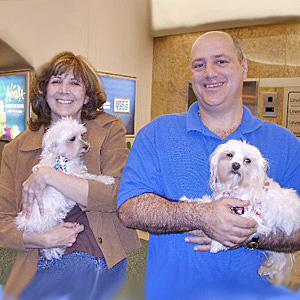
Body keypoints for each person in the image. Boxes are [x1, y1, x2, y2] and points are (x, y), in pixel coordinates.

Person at [117, 31, 300, 300]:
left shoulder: (285, 143)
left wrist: (246, 235)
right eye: (199, 65)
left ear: (244, 67)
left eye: (221, 61)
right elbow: (129, 209)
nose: (209, 72)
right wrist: (201, 215)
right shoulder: (157, 133)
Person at [0, 51, 140, 300]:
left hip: (104, 257)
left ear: (86, 96)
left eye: (75, 83)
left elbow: (116, 195)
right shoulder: (15, 150)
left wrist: (48, 176)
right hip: (45, 262)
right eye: (56, 81)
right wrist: (42, 239)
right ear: (44, 91)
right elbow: (3, 222)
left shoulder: (110, 129)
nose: (64, 90)